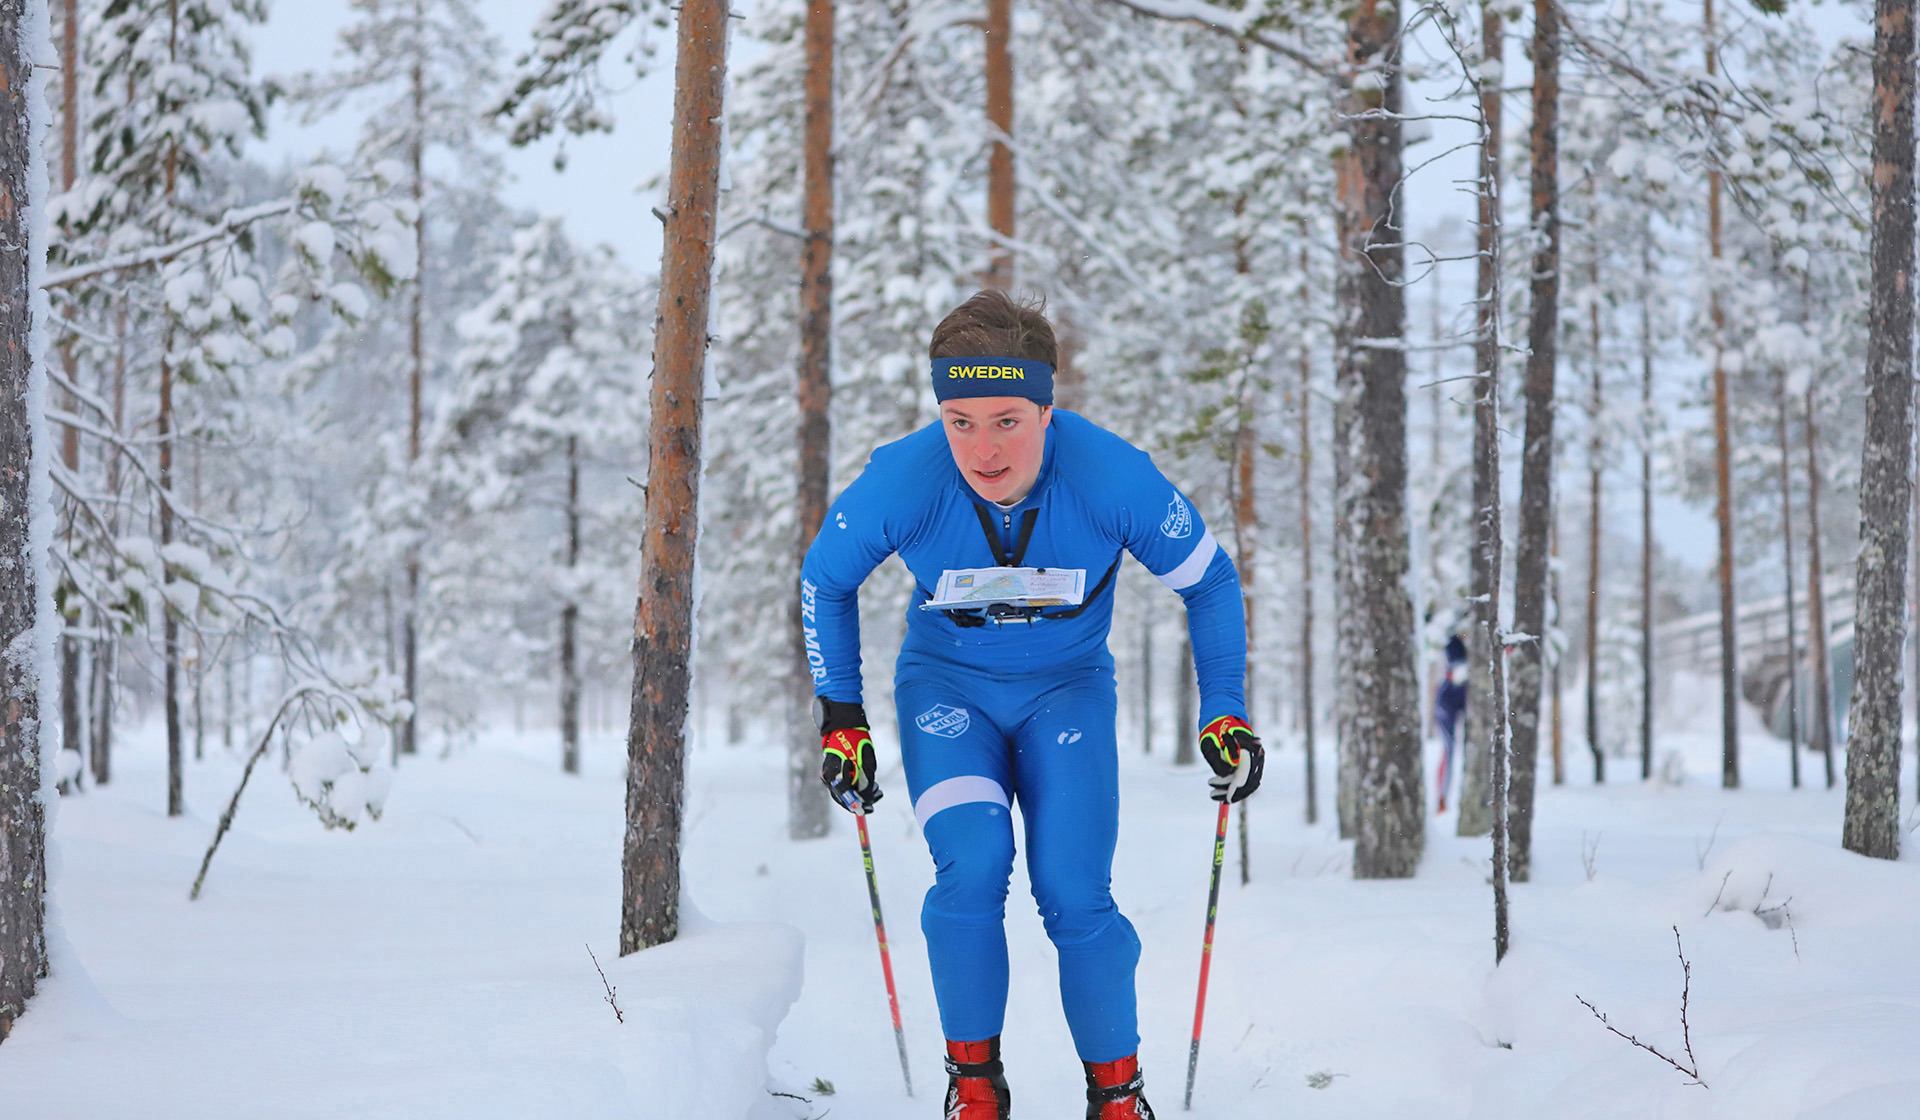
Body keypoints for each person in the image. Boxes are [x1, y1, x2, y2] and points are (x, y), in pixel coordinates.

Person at [800, 291, 1265, 1120]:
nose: (982, 449)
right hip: (948, 695)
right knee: (972, 866)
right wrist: (842, 718)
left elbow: (1211, 580)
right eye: (960, 420)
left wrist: (1221, 710)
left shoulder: (1111, 476)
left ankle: (1116, 1094)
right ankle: (974, 1085)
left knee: (1074, 889)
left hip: (1067, 696)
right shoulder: (905, 480)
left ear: (1048, 410)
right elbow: (823, 581)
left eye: (1008, 419)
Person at [1433, 634, 1468, 813]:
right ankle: (1442, 798)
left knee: (1450, 752)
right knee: (1449, 751)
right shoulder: (1460, 667)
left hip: (1451, 706)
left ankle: (1442, 797)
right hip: (1445, 709)